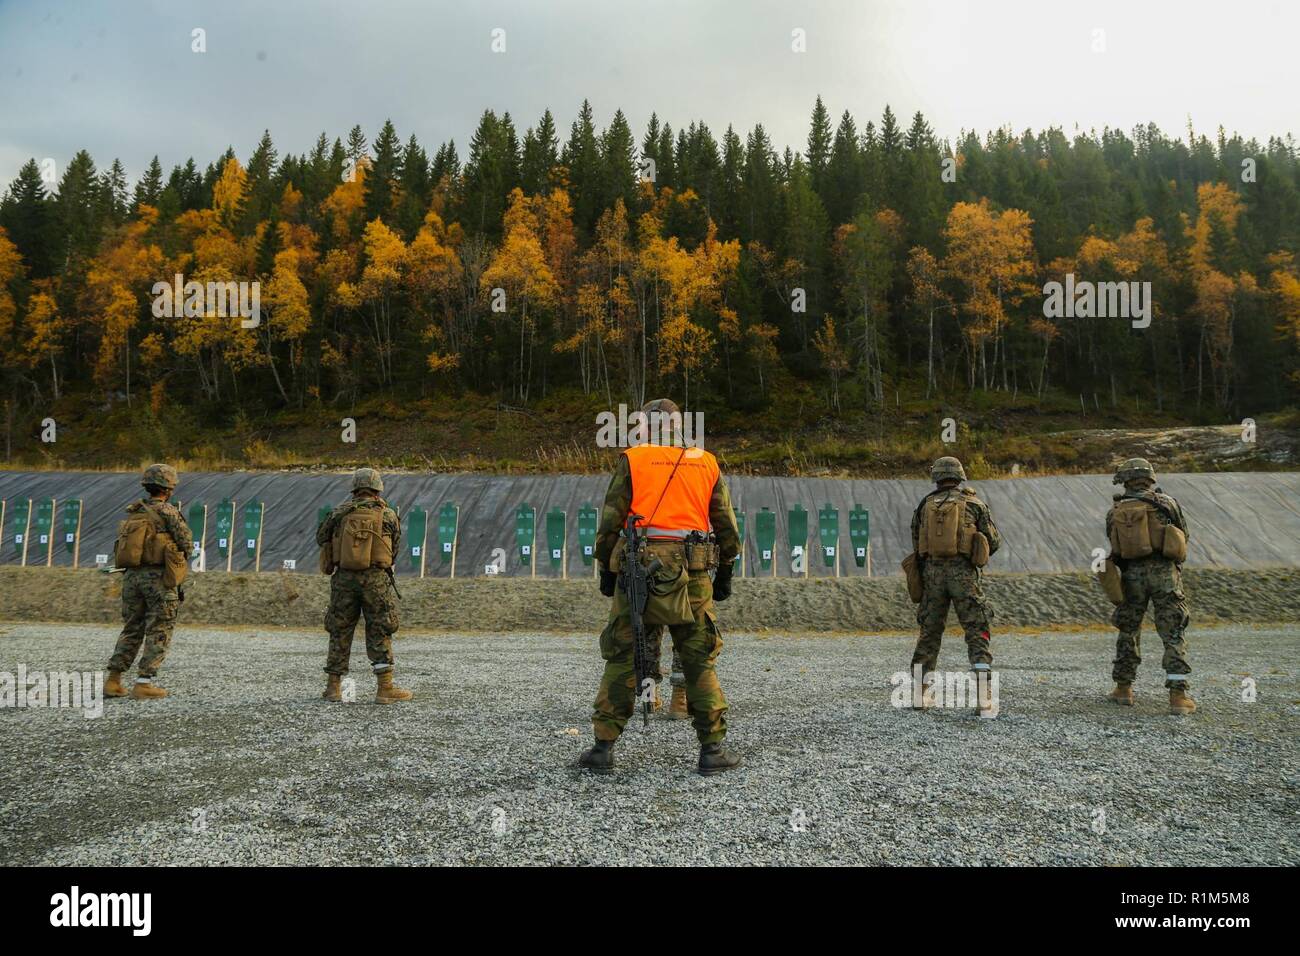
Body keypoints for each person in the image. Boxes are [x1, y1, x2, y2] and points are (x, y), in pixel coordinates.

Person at [579, 398, 742, 775]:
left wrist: (607, 567)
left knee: (624, 655)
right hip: (693, 574)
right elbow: (726, 526)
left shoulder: (633, 459)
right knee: (699, 657)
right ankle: (712, 750)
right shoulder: (705, 461)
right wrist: (727, 570)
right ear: (680, 424)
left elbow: (609, 522)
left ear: (645, 426)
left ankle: (603, 748)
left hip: (639, 568)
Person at [908, 456, 1001, 711]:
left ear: (936, 478)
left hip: (932, 578)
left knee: (929, 634)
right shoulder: (974, 503)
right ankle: (984, 697)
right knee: (976, 631)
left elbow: (916, 542)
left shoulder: (924, 505)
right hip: (965, 578)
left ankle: (919, 694)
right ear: (960, 476)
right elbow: (993, 541)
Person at [1105, 458, 1195, 715]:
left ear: (1125, 481)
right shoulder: (1166, 503)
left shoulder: (1115, 510)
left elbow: (1114, 544)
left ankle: (1123, 689)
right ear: (1150, 478)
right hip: (1165, 574)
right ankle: (1178, 697)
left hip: (1131, 576)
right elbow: (1182, 535)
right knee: (1173, 632)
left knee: (1128, 630)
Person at [316, 468, 412, 704]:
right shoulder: (387, 514)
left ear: (355, 489)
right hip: (375, 579)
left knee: (340, 629)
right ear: (378, 489)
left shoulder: (339, 512)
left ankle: (333, 688)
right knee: (379, 628)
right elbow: (394, 548)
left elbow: (321, 538)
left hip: (344, 579)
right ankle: (385, 689)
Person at [104, 464, 194, 700]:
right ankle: (144, 683)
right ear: (169, 488)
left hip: (132, 578)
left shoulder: (135, 512)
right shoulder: (168, 511)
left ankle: (113, 680)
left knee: (132, 628)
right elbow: (187, 543)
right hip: (159, 579)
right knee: (160, 628)